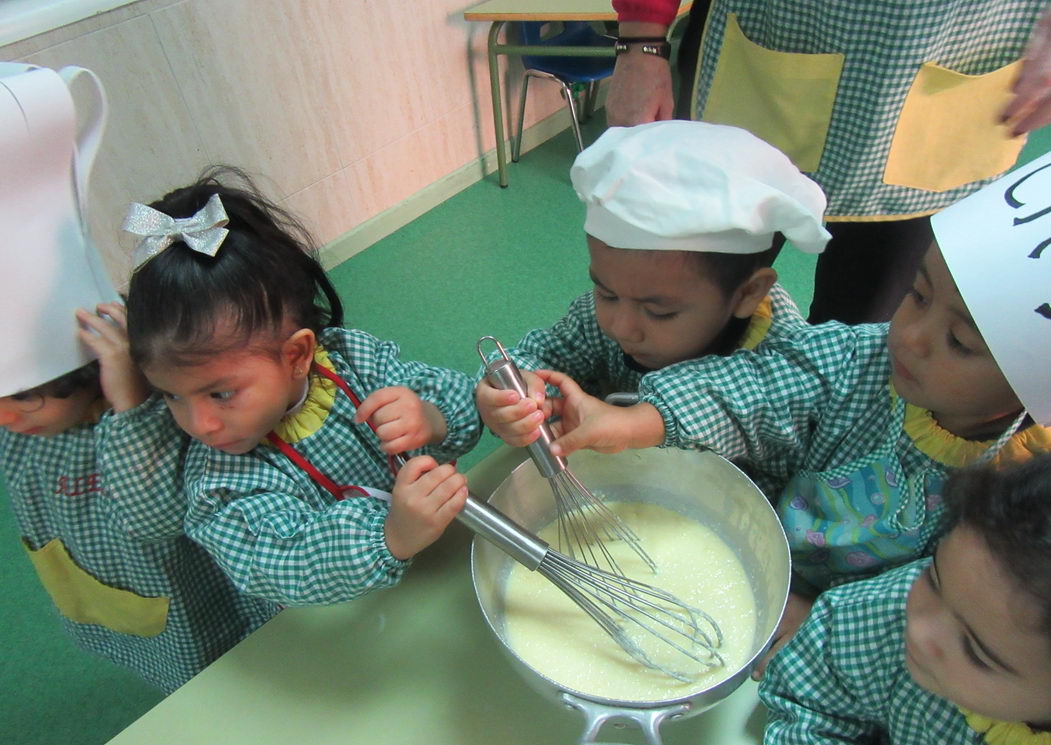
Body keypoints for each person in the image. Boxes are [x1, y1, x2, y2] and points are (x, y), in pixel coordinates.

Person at [519, 148, 1051, 674]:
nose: (909, 336)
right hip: (759, 557)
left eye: (959, 341)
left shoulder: (1022, 497)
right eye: (915, 295)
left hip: (852, 646)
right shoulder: (858, 359)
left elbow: (960, 614)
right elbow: (759, 387)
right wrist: (637, 421)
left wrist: (822, 620)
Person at [111, 167, 480, 607]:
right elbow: (285, 562)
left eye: (220, 394)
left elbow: (466, 402)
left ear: (298, 355)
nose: (200, 424)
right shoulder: (219, 481)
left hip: (448, 565)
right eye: (172, 395)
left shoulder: (354, 359)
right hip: (343, 620)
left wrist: (432, 418)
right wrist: (391, 535)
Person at [607, 0, 1051, 325]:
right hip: (770, 47)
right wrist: (641, 41)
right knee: (674, 302)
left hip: (960, 63)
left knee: (861, 327)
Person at [476, 120, 829, 452]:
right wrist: (513, 392)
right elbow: (534, 356)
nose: (621, 327)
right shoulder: (597, 318)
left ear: (748, 293)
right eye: (607, 293)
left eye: (660, 312)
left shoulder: (785, 354)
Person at [2, 304, 276, 693]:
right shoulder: (26, 434)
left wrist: (129, 403)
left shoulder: (155, 421)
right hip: (109, 591)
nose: (6, 418)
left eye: (24, 396)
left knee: (234, 675)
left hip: (194, 607)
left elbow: (158, 518)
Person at [760, 454, 1051, 745]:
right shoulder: (947, 599)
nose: (920, 627)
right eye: (934, 577)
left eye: (974, 651)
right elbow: (816, 683)